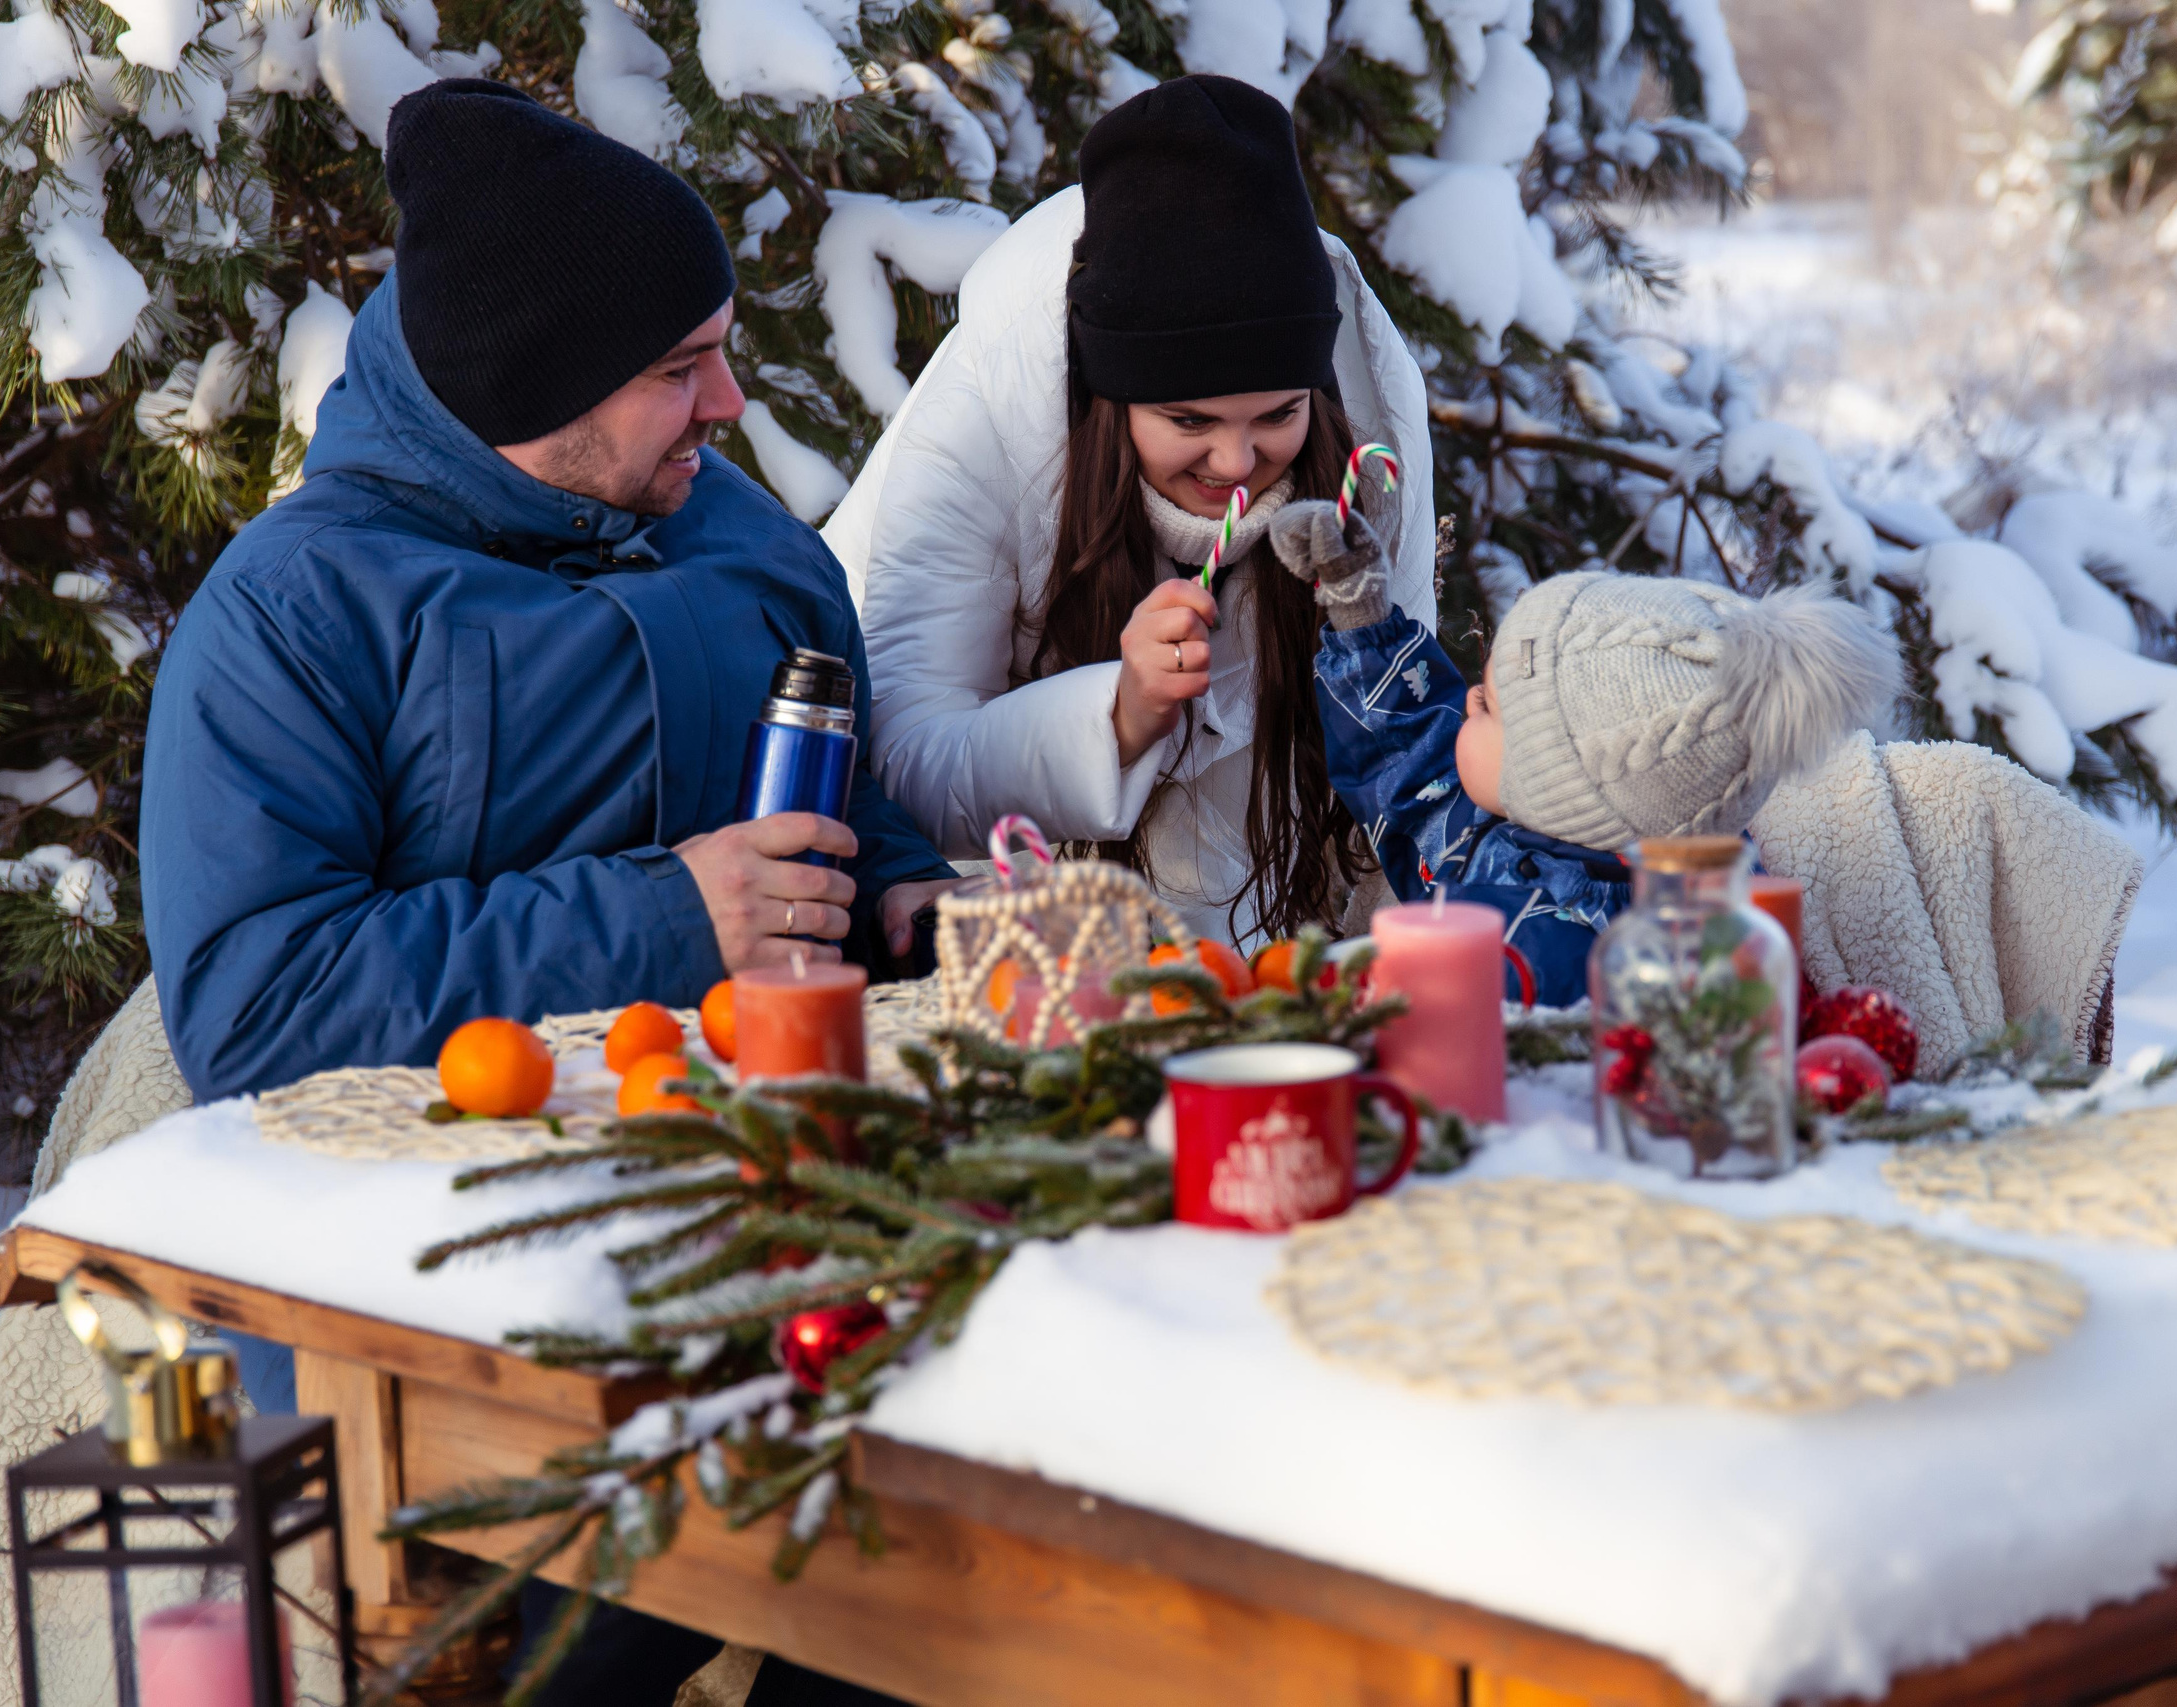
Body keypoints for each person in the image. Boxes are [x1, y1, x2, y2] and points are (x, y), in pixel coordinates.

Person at [137, 79, 949, 1706]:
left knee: (927, 1577)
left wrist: (912, 900)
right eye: (677, 369)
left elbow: (835, 802)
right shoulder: (300, 614)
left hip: (765, 1213)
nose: (730, 399)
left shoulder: (748, 547)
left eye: (720, 343)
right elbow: (259, 1008)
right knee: (577, 1640)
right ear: (535, 388)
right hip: (452, 1285)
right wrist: (672, 916)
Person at [825, 74, 1436, 949]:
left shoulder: (1368, 422)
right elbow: (909, 762)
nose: (1236, 463)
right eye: (1189, 421)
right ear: (1109, 399)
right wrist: (1119, 713)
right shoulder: (986, 420)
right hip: (990, 897)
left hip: (1252, 878)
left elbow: (1396, 726)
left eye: (1276, 414)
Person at [1269, 492, 1898, 1006]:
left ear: (1554, 786)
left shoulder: (1554, 953)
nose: (1465, 702)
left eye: (1487, 705)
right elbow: (1419, 772)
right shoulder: (1570, 824)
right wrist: (1360, 610)